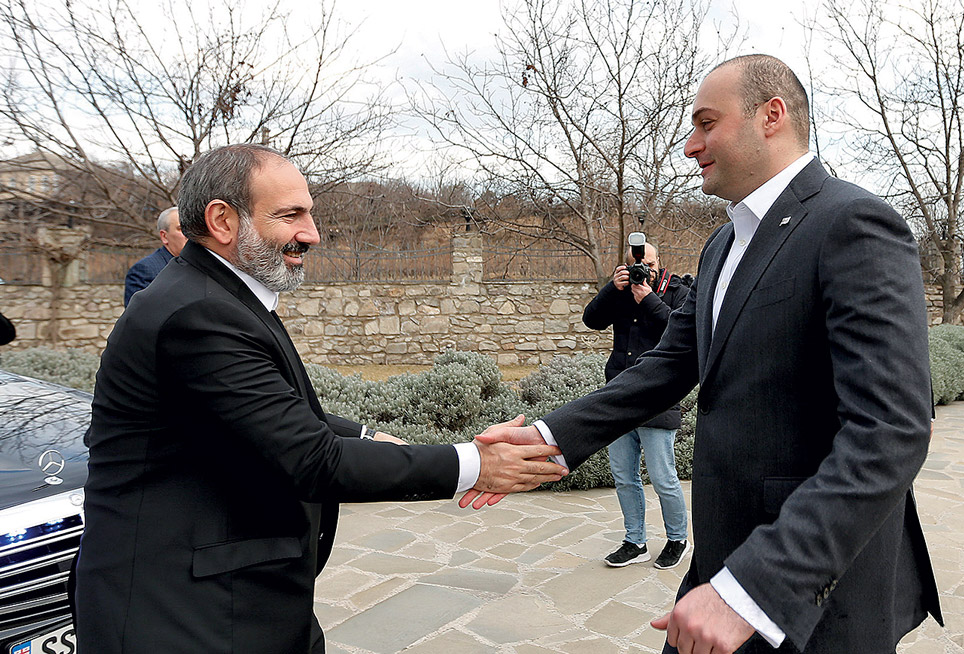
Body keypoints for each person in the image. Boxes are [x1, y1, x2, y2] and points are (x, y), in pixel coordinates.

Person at [469, 54, 942, 653]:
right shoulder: (722, 243)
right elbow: (667, 366)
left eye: (706, 123)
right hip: (720, 559)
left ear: (771, 116)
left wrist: (755, 589)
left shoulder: (854, 224)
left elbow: (891, 432)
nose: (690, 145)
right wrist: (550, 437)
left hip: (807, 591)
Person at [74, 144, 567, 654]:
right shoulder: (197, 314)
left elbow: (260, 410)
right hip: (185, 614)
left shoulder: (214, 296)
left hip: (238, 599)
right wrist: (477, 465)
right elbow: (312, 460)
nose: (311, 233)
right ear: (222, 220)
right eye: (290, 215)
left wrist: (367, 435)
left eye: (308, 213)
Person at [582, 242, 691, 569]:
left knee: (662, 477)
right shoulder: (620, 292)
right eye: (636, 266)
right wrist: (610, 288)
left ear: (659, 262)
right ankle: (635, 541)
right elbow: (591, 320)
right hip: (620, 396)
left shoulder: (677, 291)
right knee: (624, 476)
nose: (644, 270)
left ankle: (678, 539)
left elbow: (684, 330)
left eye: (649, 264)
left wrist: (650, 300)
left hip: (659, 396)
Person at [123, 206, 188, 306]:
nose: (188, 234)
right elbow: (139, 314)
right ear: (164, 236)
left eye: (191, 229)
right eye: (181, 229)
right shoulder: (144, 271)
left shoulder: (201, 265)